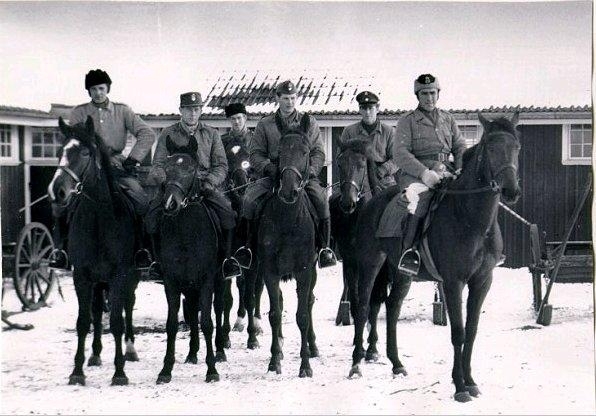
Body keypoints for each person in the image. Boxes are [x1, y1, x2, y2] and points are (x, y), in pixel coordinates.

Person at [49, 69, 156, 269]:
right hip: (87, 169)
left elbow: (147, 134)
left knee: (140, 198)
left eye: (101, 88)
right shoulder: (79, 113)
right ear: (89, 91)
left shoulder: (123, 111)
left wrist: (133, 159)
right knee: (61, 198)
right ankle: (60, 250)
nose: (98, 93)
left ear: (107, 89)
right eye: (93, 89)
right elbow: (74, 141)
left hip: (115, 166)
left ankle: (143, 249)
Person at [235, 80, 337, 268]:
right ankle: (246, 248)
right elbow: (255, 154)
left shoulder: (308, 122)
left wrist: (311, 171)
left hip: (302, 176)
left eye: (292, 98)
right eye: (285, 98)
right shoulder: (265, 124)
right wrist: (268, 167)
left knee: (322, 200)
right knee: (248, 199)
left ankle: (324, 248)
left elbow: (318, 152)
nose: (290, 102)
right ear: (277, 98)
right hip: (273, 175)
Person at [149, 91, 242, 280]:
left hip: (204, 185)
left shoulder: (211, 134)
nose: (192, 113)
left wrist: (210, 181)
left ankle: (227, 260)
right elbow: (157, 165)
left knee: (228, 214)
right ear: (181, 110)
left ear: (200, 111)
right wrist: (169, 182)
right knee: (151, 214)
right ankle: (156, 262)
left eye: (196, 109)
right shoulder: (168, 133)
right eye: (188, 109)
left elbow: (221, 165)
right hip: (176, 186)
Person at [392, 74, 467, 276]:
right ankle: (409, 251)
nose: (429, 98)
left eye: (432, 93)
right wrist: (424, 173)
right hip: (416, 174)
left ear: (438, 94)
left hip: (446, 170)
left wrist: (460, 168)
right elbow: (400, 153)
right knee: (419, 199)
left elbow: (460, 146)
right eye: (424, 94)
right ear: (418, 96)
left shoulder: (447, 119)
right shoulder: (407, 121)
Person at [338, 91, 398, 191]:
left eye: (371, 108)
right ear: (360, 110)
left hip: (383, 181)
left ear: (377, 109)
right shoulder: (349, 131)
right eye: (364, 108)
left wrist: (383, 170)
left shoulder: (389, 132)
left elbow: (397, 158)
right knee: (335, 199)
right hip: (356, 183)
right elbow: (341, 157)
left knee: (398, 199)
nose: (367, 112)